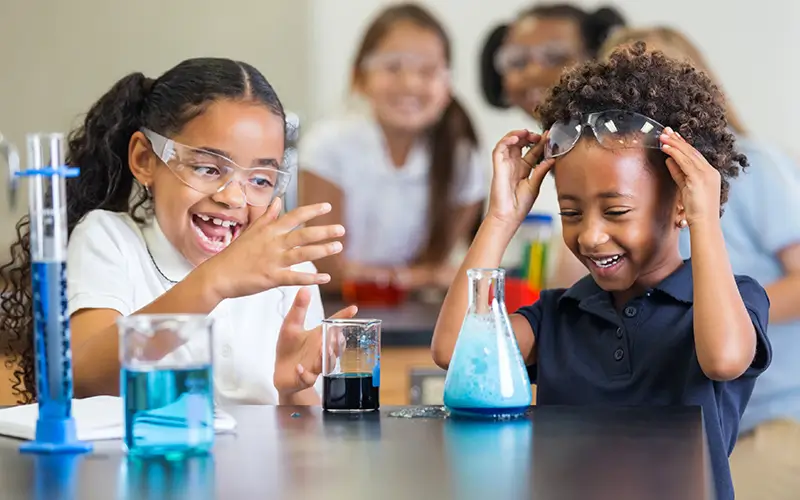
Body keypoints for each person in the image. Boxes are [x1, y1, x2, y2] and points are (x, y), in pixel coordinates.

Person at [431, 43, 772, 500]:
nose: (590, 236)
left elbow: (724, 359)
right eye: (571, 213)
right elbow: (454, 352)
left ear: (679, 206)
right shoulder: (557, 314)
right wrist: (499, 220)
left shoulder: (732, 301)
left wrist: (704, 218)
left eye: (616, 211)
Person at [0, 57, 354, 407]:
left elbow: (307, 439)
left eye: (260, 180)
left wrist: (292, 389)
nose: (233, 197)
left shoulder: (290, 271)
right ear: (144, 159)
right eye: (207, 168)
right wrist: (215, 281)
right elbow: (85, 376)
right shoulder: (110, 240)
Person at [598, 27, 800, 500]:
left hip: (773, 418)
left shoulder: (752, 167)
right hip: (682, 427)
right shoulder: (629, 189)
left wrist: (719, 313)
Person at [299, 3, 486, 294]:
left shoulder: (462, 160)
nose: (410, 83)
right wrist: (422, 277)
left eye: (427, 71)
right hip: (332, 311)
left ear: (447, 84)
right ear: (359, 77)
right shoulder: (327, 146)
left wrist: (413, 277)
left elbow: (437, 263)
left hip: (416, 317)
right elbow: (327, 269)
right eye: (392, 67)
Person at [480, 3, 626, 288]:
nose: (533, 71)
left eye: (555, 57)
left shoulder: (617, 152)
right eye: (517, 61)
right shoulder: (510, 154)